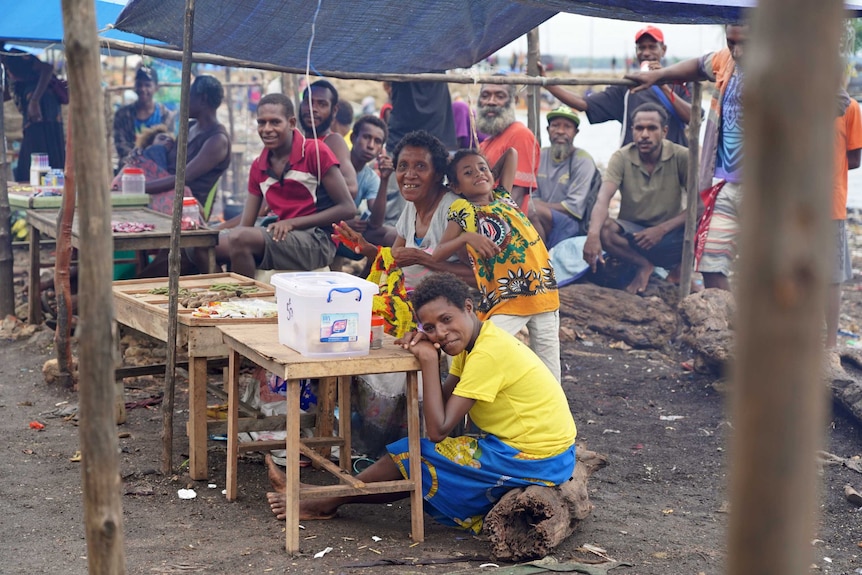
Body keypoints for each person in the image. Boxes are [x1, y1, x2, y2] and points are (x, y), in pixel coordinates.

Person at [265, 272, 577, 533]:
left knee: (413, 453)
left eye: (446, 320)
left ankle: (325, 502)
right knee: (416, 455)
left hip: (538, 458)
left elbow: (439, 430)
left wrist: (429, 360)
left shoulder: (488, 353)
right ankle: (327, 495)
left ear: (469, 308)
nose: (441, 333)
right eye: (429, 328)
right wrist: (434, 356)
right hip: (532, 449)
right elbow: (441, 406)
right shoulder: (476, 342)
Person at [626, 24, 748, 291]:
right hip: (724, 183)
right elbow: (698, 65)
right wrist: (658, 77)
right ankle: (726, 327)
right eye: (731, 42)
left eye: (745, 44)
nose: (737, 51)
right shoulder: (725, 60)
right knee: (710, 262)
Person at [433, 147, 562, 381]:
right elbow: (438, 254)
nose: (479, 174)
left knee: (550, 373)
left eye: (483, 169)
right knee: (483, 353)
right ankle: (463, 404)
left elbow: (512, 153)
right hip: (508, 299)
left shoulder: (503, 196)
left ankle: (551, 414)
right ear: (456, 187)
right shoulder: (464, 209)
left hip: (544, 294)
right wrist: (466, 237)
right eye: (468, 173)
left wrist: (486, 170)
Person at [211, 93, 355, 278]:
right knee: (204, 246)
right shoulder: (259, 165)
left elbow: (348, 208)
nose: (267, 129)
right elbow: (245, 224)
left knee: (240, 239)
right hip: (281, 235)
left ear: (292, 123)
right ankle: (220, 294)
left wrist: (292, 223)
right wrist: (215, 232)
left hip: (317, 240)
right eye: (261, 123)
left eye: (275, 122)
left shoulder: (314, 152)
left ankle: (245, 301)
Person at [333, 130, 475, 290]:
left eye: (420, 166)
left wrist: (422, 258)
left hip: (443, 307)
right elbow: (394, 258)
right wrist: (368, 249)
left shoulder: (454, 210)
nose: (409, 174)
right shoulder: (413, 204)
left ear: (437, 174)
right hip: (409, 297)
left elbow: (477, 277)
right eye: (403, 166)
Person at [583, 104, 689, 295]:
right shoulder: (622, 157)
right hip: (634, 238)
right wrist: (592, 235)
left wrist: (661, 229)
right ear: (632, 130)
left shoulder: (681, 156)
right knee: (604, 229)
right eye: (639, 128)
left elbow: (699, 206)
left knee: (707, 224)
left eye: (652, 128)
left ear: (664, 131)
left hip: (670, 236)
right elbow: (603, 198)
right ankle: (643, 265)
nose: (645, 135)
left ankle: (679, 272)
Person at [539, 26, 692, 148]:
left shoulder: (681, 83)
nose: (646, 53)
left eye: (652, 47)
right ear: (636, 51)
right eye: (641, 48)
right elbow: (584, 104)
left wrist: (663, 86)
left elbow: (693, 118)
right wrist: (548, 84)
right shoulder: (626, 86)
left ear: (663, 50)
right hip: (635, 166)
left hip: (672, 165)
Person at [144, 75, 231, 210]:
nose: (184, 101)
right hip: (167, 191)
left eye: (189, 95)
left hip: (186, 204)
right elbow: (171, 160)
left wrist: (141, 188)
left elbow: (183, 178)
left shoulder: (217, 140)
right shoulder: (189, 127)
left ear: (203, 99)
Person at [532, 105, 602, 248]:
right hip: (541, 219)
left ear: (575, 132)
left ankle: (543, 261)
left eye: (567, 127)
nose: (560, 131)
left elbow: (572, 208)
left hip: (571, 224)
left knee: (528, 209)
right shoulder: (540, 155)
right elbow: (533, 195)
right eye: (555, 126)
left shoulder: (582, 160)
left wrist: (534, 206)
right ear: (548, 130)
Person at [826, 97, 862, 355]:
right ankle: (827, 343)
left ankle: (829, 344)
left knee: (831, 277)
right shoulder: (849, 107)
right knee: (831, 277)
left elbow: (855, 158)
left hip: (826, 204)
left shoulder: (849, 107)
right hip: (820, 203)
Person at [1, 44, 66, 181]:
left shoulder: (16, 55)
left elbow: (47, 68)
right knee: (33, 154)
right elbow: (7, 93)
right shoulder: (4, 65)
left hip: (43, 108)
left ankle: (48, 190)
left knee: (40, 152)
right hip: (30, 112)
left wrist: (35, 100)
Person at [477, 82, 540, 208]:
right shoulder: (485, 144)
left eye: (499, 96)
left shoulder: (520, 135)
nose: (491, 102)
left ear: (514, 100)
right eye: (485, 96)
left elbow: (514, 197)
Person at [298, 79, 358, 199]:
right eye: (308, 102)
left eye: (322, 104)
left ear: (334, 110)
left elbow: (351, 188)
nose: (312, 108)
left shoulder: (332, 142)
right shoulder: (296, 142)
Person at [343, 115, 397, 246]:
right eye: (366, 137)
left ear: (380, 149)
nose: (371, 145)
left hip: (348, 233)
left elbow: (376, 223)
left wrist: (385, 180)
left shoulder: (371, 177)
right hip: (323, 228)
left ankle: (369, 267)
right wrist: (342, 223)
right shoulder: (335, 163)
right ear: (353, 138)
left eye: (377, 141)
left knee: (393, 234)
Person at [113, 65, 176, 169]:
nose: (143, 89)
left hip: (158, 168)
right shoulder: (123, 114)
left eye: (147, 85)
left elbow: (168, 145)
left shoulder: (166, 115)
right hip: (130, 166)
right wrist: (137, 157)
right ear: (135, 86)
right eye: (139, 84)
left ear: (156, 87)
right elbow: (121, 145)